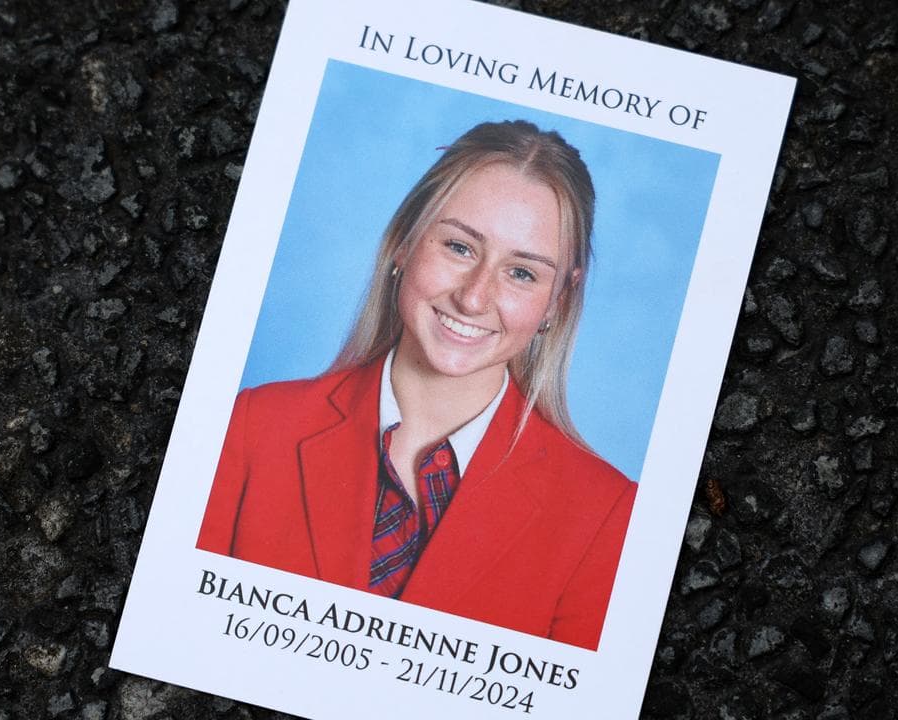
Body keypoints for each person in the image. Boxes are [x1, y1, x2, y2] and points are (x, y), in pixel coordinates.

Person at [197, 120, 635, 651]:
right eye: (459, 246)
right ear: (404, 244)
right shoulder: (249, 426)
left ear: (558, 301)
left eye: (522, 273)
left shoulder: (608, 515)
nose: (474, 298)